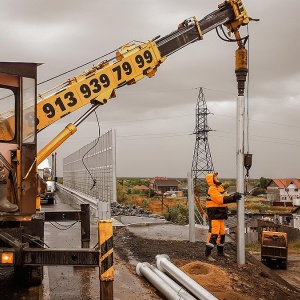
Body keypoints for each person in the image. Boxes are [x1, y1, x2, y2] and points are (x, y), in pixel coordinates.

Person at [205, 172, 242, 261]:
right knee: (213, 234)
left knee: (222, 234)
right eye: (215, 177)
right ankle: (208, 254)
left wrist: (233, 196)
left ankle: (220, 253)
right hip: (214, 214)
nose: (217, 178)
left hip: (220, 214)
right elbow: (220, 200)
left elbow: (226, 196)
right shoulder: (212, 189)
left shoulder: (220, 188)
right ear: (212, 179)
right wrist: (233, 198)